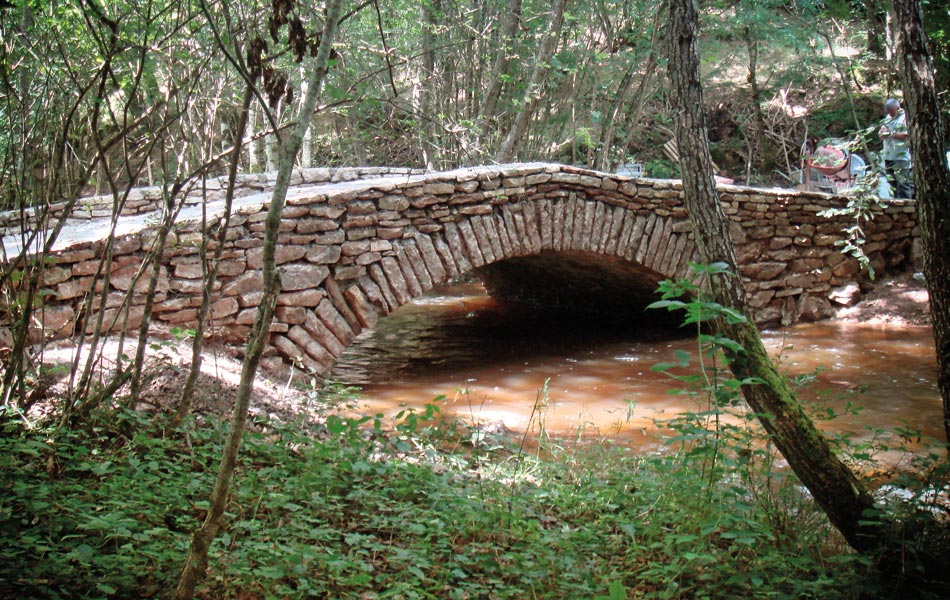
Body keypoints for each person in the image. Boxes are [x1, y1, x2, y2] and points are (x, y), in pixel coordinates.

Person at [878, 98, 914, 198]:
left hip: (901, 157)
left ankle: (907, 206)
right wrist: (882, 134)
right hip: (888, 156)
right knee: (892, 183)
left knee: (903, 184)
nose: (890, 114)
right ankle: (896, 208)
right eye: (888, 112)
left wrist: (891, 133)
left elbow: (906, 135)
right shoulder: (887, 118)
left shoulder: (905, 118)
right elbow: (881, 132)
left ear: (898, 108)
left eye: (892, 112)